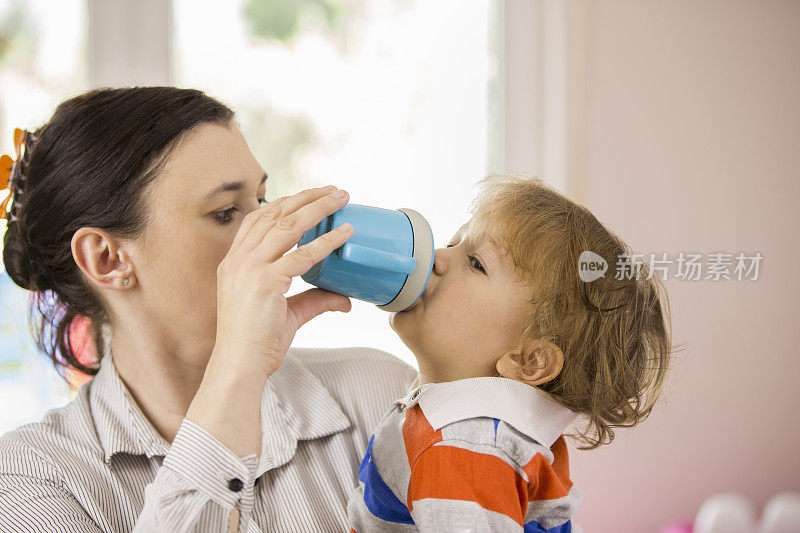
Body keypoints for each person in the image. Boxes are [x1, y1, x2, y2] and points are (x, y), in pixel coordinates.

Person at [0, 86, 418, 532]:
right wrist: (237, 371)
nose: (272, 231)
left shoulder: (382, 397)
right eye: (225, 212)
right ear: (107, 259)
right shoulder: (36, 478)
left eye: (261, 198)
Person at [346, 175, 674, 531]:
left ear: (527, 360)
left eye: (475, 263)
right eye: (452, 244)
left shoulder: (467, 448)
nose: (437, 258)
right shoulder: (466, 427)